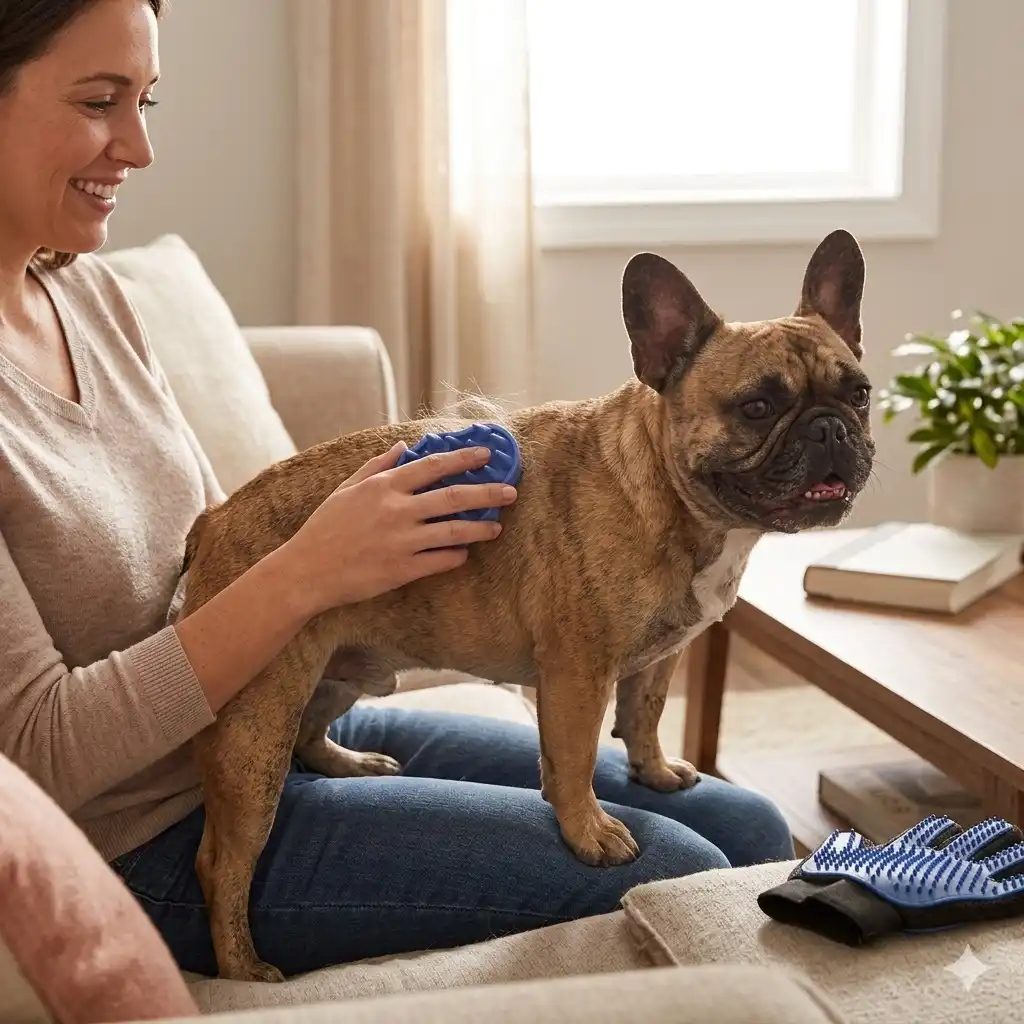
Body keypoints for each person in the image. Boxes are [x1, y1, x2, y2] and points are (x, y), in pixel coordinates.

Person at [0, 0, 794, 979]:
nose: (140, 146)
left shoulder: (87, 294)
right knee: (688, 875)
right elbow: (32, 757)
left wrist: (405, 527)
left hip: (281, 712)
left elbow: (212, 542)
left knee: (751, 826)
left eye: (146, 100)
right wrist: (311, 571)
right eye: (98, 102)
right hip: (141, 835)